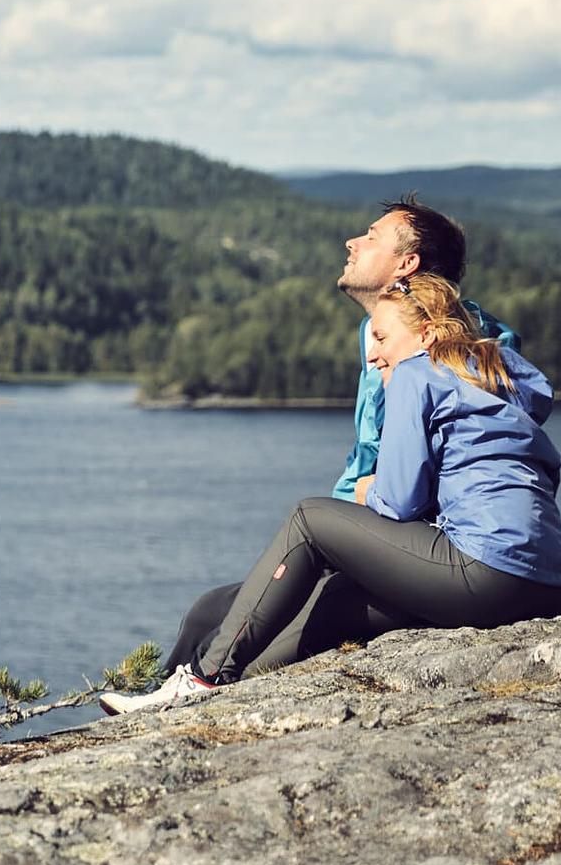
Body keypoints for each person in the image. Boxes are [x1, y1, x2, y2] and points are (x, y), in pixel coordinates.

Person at [102, 274, 561, 713]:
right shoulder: (495, 377)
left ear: (426, 335)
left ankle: (202, 678)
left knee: (310, 518)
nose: (374, 355)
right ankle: (230, 684)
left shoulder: (417, 373)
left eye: (382, 338)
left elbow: (399, 501)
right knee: (338, 599)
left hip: (483, 571)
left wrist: (367, 489)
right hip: (544, 584)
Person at [155, 194, 519, 680]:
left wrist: (360, 512)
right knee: (209, 609)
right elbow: (369, 452)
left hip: (420, 553)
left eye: (371, 237)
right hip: (352, 542)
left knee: (264, 654)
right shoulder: (374, 333)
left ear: (406, 264)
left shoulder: (470, 343)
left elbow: (473, 468)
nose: (352, 242)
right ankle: (153, 712)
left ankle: (191, 701)